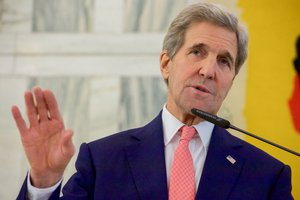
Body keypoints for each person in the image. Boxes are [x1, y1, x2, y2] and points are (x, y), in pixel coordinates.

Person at [12, 3, 293, 200]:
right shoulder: (103, 161)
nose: (209, 70)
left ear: (231, 79)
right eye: (197, 51)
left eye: (224, 61)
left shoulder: (267, 175)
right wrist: (44, 182)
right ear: (165, 64)